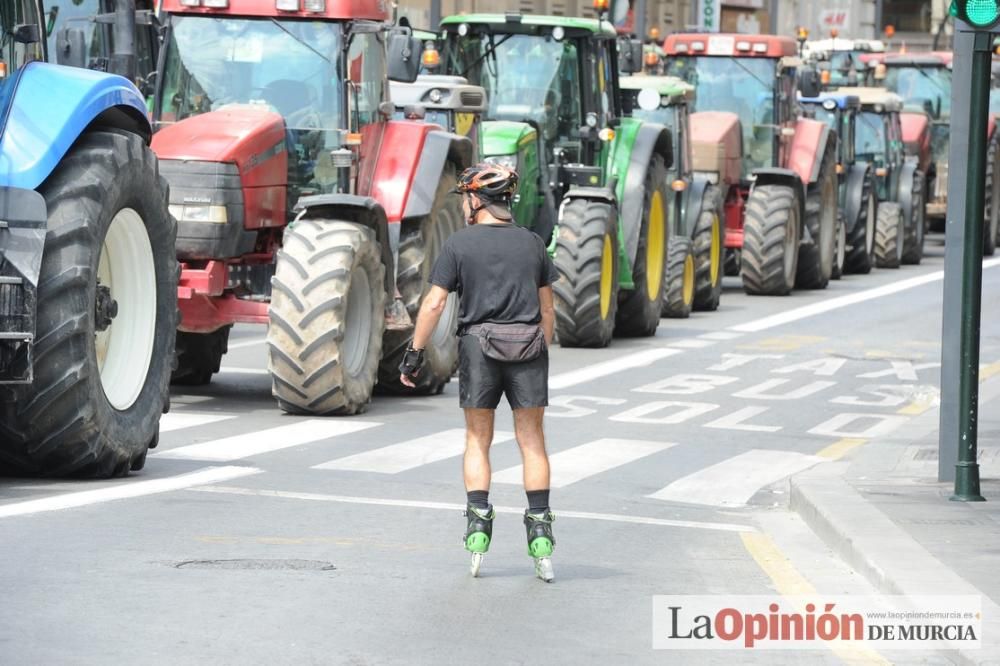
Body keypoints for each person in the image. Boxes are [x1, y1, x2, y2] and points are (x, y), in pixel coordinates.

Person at [398, 163, 560, 582]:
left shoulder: (459, 244)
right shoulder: (533, 244)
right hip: (528, 345)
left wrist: (414, 353)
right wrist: (538, 348)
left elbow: (433, 305)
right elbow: (547, 309)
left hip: (478, 349)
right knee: (531, 441)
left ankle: (477, 528)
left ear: (475, 199)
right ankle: (540, 532)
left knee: (477, 439)